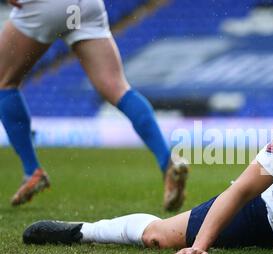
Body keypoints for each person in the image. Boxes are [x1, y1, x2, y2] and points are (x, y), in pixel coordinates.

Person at [22, 80, 273, 254]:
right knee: (159, 237)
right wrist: (201, 244)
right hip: (270, 217)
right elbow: (242, 190)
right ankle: (81, 230)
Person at [0, 0, 188, 211]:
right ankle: (166, 161)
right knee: (118, 88)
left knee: (4, 81)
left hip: (46, 4)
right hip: (88, 5)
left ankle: (31, 170)